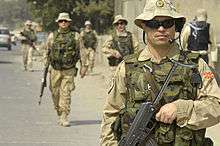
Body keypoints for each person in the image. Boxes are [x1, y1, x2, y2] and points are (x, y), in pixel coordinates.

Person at [100, 0, 220, 145]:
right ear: (144, 26)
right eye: (153, 24)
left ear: (176, 26)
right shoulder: (127, 67)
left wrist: (182, 109)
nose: (161, 29)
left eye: (167, 23)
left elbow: (216, 106)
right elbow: (111, 114)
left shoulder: (195, 65)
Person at [46, 12, 81, 127]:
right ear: (58, 23)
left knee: (66, 93)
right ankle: (59, 110)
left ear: (69, 22)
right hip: (55, 69)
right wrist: (47, 66)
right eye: (61, 21)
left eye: (66, 21)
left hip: (69, 69)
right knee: (55, 92)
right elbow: (47, 51)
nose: (63, 23)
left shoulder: (76, 36)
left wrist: (84, 66)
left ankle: (64, 115)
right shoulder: (52, 36)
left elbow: (82, 51)